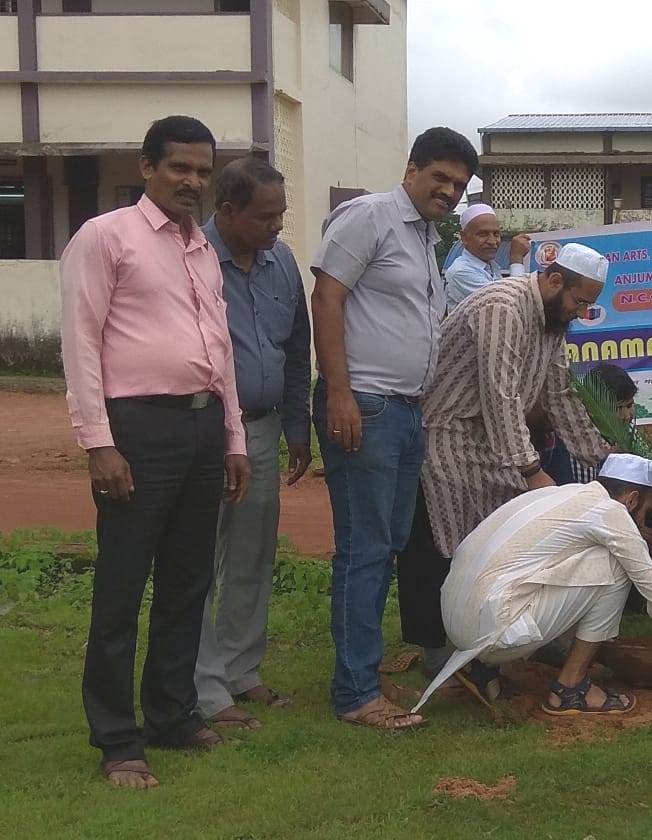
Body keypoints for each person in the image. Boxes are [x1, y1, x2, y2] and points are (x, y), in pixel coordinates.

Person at [59, 115, 252, 789]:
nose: (192, 182)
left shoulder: (202, 248)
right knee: (121, 586)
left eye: (203, 171)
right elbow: (81, 342)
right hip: (137, 430)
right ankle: (117, 739)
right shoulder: (106, 237)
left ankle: (171, 715)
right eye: (179, 168)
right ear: (147, 168)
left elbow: (220, 350)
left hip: (202, 428)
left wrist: (232, 438)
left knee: (187, 581)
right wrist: (98, 442)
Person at [310, 126, 478, 730]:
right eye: (440, 178)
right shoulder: (371, 217)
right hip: (365, 406)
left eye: (458, 185)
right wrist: (339, 392)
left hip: (407, 412)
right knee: (365, 550)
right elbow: (326, 298)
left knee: (386, 548)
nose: (449, 192)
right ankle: (356, 694)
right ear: (411, 169)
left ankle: (362, 670)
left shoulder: (426, 237)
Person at [414, 243, 614, 686]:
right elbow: (500, 394)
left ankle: (521, 635)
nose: (582, 312)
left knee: (518, 541)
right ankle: (449, 652)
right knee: (458, 545)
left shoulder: (553, 320)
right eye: (580, 301)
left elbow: (559, 394)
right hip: (448, 432)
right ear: (555, 280)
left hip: (494, 440)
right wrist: (530, 470)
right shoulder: (503, 306)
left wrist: (604, 457)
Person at [413, 454, 652, 715]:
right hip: (491, 632)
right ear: (632, 499)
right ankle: (570, 687)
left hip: (455, 624)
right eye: (645, 512)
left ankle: (482, 670)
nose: (642, 522)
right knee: (616, 565)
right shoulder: (611, 512)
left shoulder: (564, 494)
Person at [194, 158, 311, 731]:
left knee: (251, 554)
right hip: (204, 429)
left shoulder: (281, 262)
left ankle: (242, 671)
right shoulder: (192, 260)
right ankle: (205, 689)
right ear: (227, 211)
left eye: (280, 215)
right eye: (265, 217)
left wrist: (297, 425)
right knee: (196, 557)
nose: (276, 226)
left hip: (262, 429)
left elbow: (297, 346)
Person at [444, 203, 531, 309]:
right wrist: (516, 259)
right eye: (483, 234)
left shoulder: (491, 267)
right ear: (464, 238)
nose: (492, 241)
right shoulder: (461, 272)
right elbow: (510, 304)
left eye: (496, 234)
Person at [567, 362, 638, 484]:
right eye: (617, 408)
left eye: (629, 405)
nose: (627, 416)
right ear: (591, 408)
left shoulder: (629, 432)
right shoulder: (580, 445)